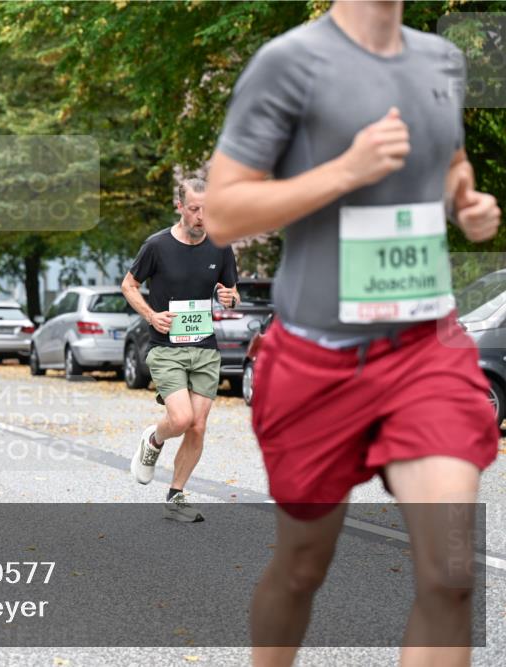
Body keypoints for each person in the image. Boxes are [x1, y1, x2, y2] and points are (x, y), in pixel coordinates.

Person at [204, 2, 501, 663]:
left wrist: (466, 202)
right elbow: (222, 210)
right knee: (303, 565)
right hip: (317, 358)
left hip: (426, 349)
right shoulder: (289, 63)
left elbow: (450, 161)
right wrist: (345, 170)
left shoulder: (441, 60)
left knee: (450, 574)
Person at [121, 177, 239, 523]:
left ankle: (176, 495)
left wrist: (230, 297)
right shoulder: (157, 246)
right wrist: (151, 315)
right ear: (179, 207)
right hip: (166, 347)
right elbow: (128, 285)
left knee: (198, 427)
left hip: (205, 347)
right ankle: (154, 440)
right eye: (194, 209)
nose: (201, 216)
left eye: (207, 208)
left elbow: (232, 292)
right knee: (182, 419)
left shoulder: (220, 245)